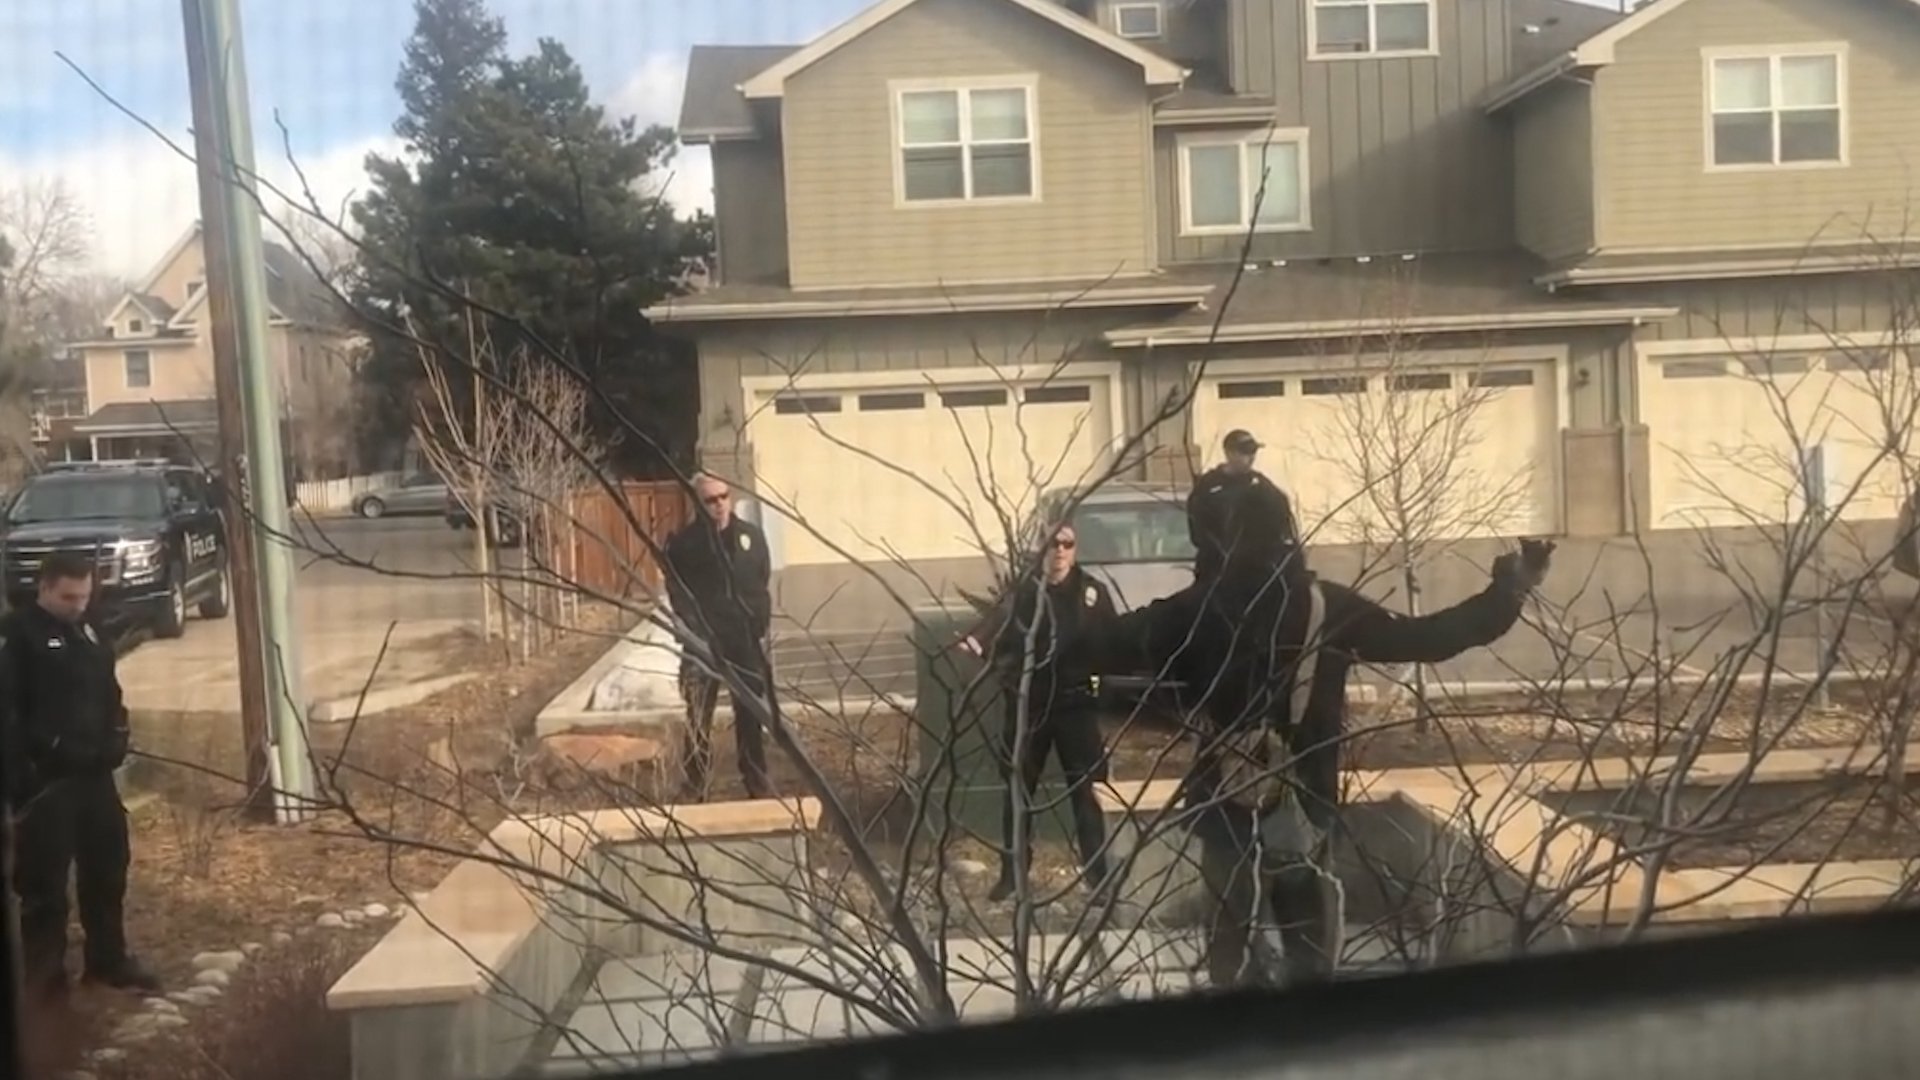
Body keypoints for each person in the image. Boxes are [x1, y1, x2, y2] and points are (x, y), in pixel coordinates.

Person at [1089, 536, 1555, 987]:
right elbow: (1425, 638)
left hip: (1224, 798)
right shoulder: (1327, 607)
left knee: (1230, 944)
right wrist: (1506, 593)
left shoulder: (1198, 608)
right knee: (1310, 946)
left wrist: (1046, 616)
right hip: (1305, 797)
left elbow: (1107, 647)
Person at [2, 553, 161, 1002]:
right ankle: (46, 984)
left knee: (108, 869)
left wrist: (118, 733)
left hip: (95, 777)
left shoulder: (90, 631)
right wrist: (27, 772)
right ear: (45, 588)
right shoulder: (17, 635)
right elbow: (9, 713)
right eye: (68, 597)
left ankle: (108, 961)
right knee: (45, 888)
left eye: (84, 596)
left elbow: (110, 691)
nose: (77, 605)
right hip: (46, 785)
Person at [962, 524, 1119, 903]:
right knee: (1018, 792)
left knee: (1086, 793)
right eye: (1053, 544)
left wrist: (1099, 690)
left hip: (1075, 706)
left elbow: (1115, 646)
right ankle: (1012, 877)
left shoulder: (1091, 593)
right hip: (1030, 705)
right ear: (1042, 550)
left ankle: (1098, 879)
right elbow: (992, 632)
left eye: (1067, 544)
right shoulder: (1025, 593)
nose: (1060, 551)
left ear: (1075, 549)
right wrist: (986, 653)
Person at [662, 473, 776, 800]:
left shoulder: (750, 537)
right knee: (698, 715)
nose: (719, 505)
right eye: (711, 500)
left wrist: (758, 622)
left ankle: (756, 777)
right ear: (700, 503)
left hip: (743, 641)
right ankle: (696, 782)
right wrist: (696, 630)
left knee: (751, 714)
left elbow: (760, 580)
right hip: (704, 644)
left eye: (724, 496)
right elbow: (677, 592)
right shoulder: (684, 545)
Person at [1186, 429, 1303, 586]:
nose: (1251, 458)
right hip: (1216, 571)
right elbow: (1198, 531)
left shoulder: (1262, 486)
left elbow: (1282, 519)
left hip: (1257, 573)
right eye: (1245, 452)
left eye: (1253, 452)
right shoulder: (1208, 486)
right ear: (1228, 453)